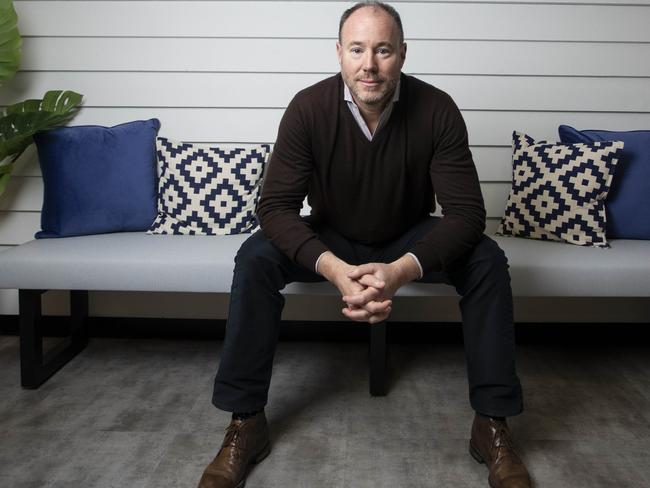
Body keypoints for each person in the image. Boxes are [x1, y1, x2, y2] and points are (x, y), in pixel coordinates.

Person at [198, 2, 531, 487]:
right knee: (254, 258)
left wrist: (399, 271)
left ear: (402, 54)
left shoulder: (437, 109)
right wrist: (332, 268)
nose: (369, 65)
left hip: (408, 235)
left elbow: (466, 215)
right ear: (339, 52)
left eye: (382, 50)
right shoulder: (307, 108)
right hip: (331, 235)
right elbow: (275, 208)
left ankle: (492, 424)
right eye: (357, 49)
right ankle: (245, 422)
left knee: (486, 260)